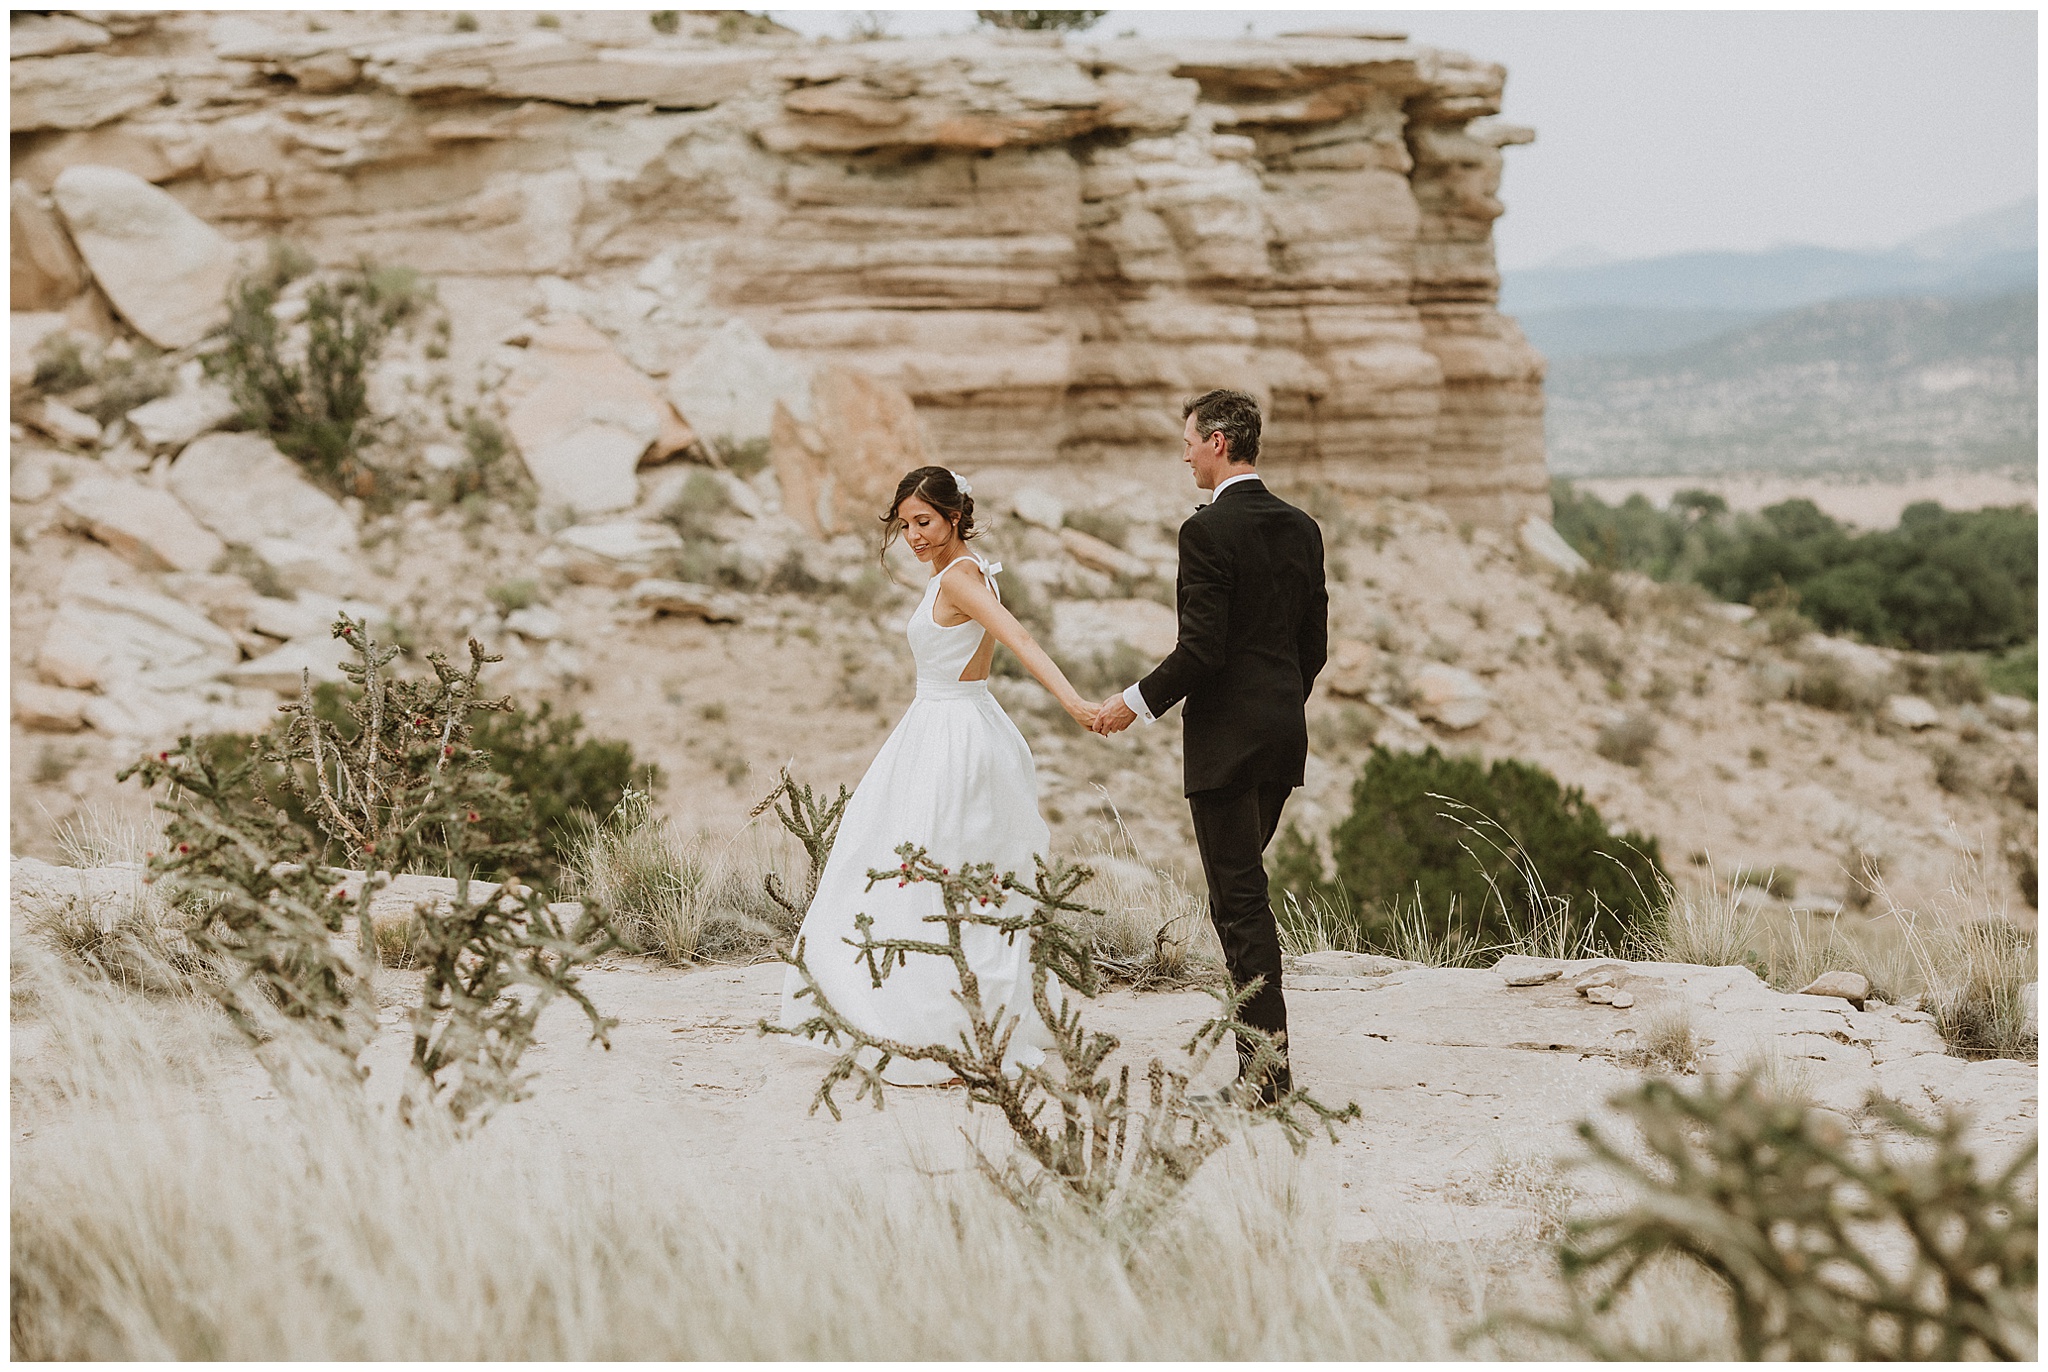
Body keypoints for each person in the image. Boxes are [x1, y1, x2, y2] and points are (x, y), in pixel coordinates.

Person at [776, 466, 1099, 1084]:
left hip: (954, 733)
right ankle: (951, 1019)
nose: (913, 537)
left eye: (923, 522)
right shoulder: (958, 572)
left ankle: (947, 1027)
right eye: (904, 526)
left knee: (932, 871)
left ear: (954, 516)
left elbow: (1021, 641)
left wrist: (1075, 704)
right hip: (944, 724)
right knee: (919, 869)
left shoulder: (961, 576)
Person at [1092, 389, 1328, 1103]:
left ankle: (1266, 1080)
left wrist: (1131, 705)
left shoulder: (1206, 532)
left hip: (1226, 747)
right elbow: (1310, 648)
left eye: (1190, 440)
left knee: (1240, 904)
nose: (1184, 453)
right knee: (1242, 894)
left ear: (1220, 441)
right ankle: (1263, 1068)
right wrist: (1279, 705)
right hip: (1282, 739)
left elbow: (1200, 651)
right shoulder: (1303, 527)